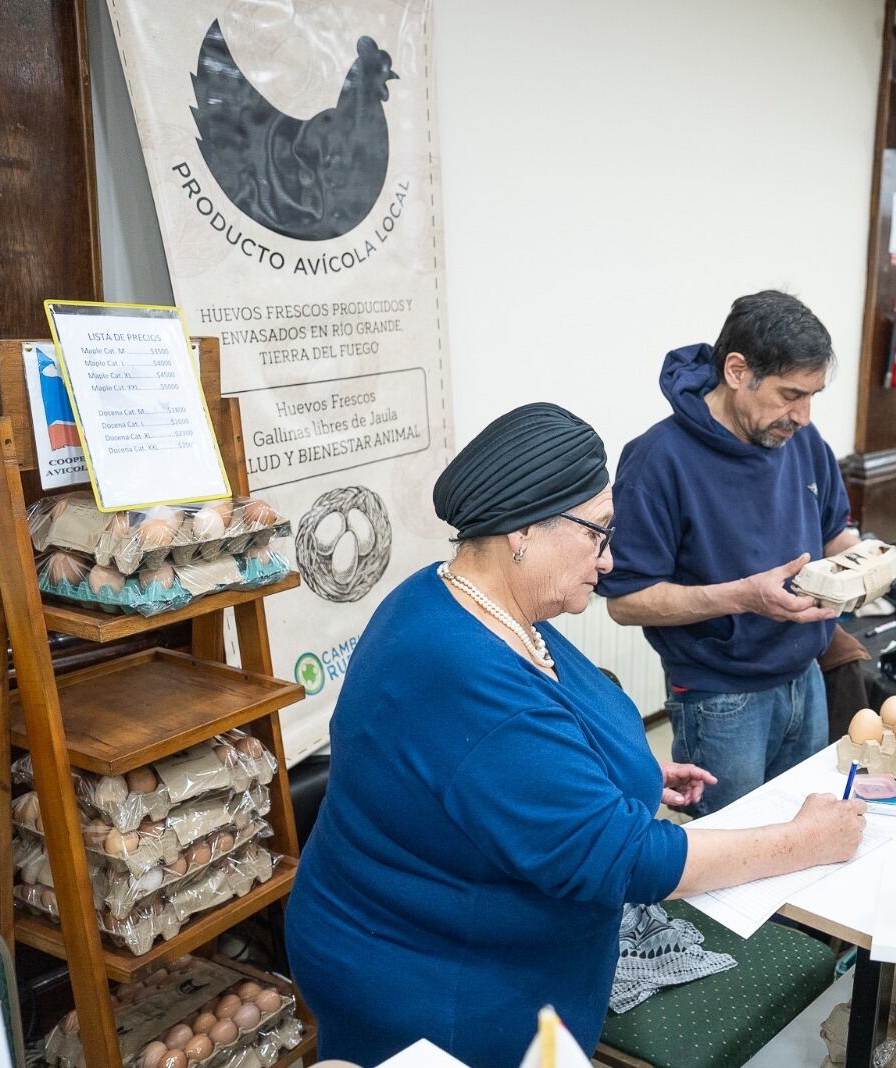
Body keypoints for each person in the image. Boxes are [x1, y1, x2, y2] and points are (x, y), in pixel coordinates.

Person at [286, 403, 866, 1068]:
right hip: (438, 990)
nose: (611, 559)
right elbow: (629, 860)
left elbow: (544, 735)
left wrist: (628, 778)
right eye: (599, 533)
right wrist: (806, 841)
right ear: (525, 529)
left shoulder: (468, 597)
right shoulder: (459, 669)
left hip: (483, 951)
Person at [600, 291, 858, 815]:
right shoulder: (658, 459)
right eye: (791, 394)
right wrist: (742, 597)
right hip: (720, 702)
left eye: (813, 396)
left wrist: (867, 567)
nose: (804, 415)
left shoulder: (802, 441)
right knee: (729, 864)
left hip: (805, 679)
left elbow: (837, 534)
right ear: (737, 371)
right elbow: (625, 602)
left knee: (800, 838)